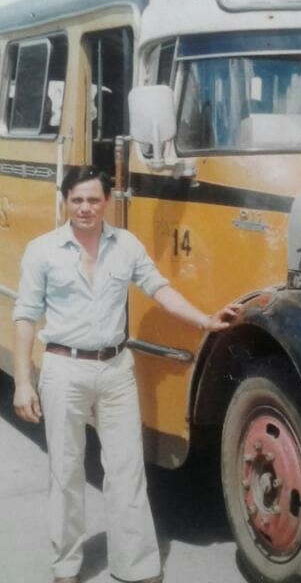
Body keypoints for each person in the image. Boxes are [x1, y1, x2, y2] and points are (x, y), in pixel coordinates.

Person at [12, 166, 240, 583]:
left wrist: (204, 320)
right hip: (64, 369)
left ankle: (134, 565)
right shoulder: (42, 250)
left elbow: (159, 288)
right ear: (65, 201)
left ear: (108, 201)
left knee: (128, 470)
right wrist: (24, 382)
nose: (86, 208)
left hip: (116, 369)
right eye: (78, 200)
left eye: (94, 200)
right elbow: (25, 317)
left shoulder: (126, 245)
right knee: (66, 473)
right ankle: (66, 566)